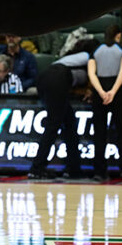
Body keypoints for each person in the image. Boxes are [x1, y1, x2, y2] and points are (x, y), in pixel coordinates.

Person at [29, 44, 95, 180]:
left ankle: (73, 168)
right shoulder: (89, 57)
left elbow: (68, 84)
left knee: (69, 124)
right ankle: (37, 168)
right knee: (53, 126)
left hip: (47, 79)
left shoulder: (71, 60)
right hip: (56, 79)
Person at [88, 25, 122, 181]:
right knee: (121, 130)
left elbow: (91, 74)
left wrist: (100, 92)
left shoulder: (96, 49)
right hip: (117, 91)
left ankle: (99, 172)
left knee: (99, 133)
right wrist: (113, 91)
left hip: (100, 90)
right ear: (118, 35)